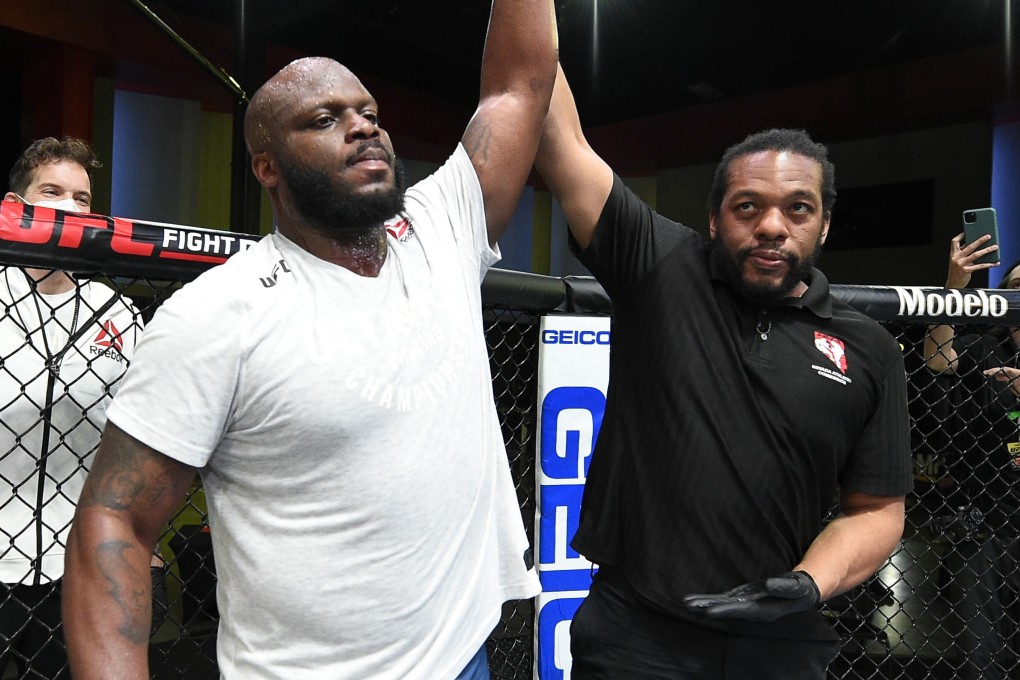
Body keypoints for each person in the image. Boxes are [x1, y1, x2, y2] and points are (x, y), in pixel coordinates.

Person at [61, 3, 557, 678]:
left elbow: (520, 84)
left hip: (463, 656)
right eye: (324, 119)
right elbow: (114, 519)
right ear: (267, 167)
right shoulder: (219, 315)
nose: (362, 128)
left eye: (369, 114)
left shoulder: (442, 228)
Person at [534, 65, 913, 679]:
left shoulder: (868, 348)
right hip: (637, 634)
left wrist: (808, 584)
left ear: (823, 225)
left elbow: (875, 510)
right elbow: (557, 134)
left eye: (797, 208)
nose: (771, 226)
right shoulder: (660, 267)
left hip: (780, 640)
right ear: (715, 220)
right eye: (747, 207)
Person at [0, 137, 141, 679]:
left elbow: (137, 431)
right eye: (52, 192)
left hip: (77, 558)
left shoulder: (115, 309)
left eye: (82, 199)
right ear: (16, 207)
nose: (69, 209)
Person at [923, 233, 1020, 680]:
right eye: (1014, 288)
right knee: (981, 657)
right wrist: (954, 285)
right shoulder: (986, 347)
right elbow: (939, 360)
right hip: (987, 518)